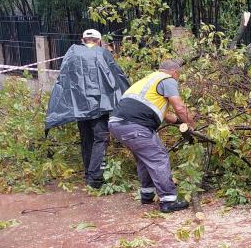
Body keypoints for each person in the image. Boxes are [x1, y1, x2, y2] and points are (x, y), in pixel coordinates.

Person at [45, 29, 130, 188]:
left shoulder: (72, 54)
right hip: (100, 106)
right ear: (99, 41)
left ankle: (88, 174)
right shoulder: (103, 53)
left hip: (80, 106)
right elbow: (117, 77)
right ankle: (95, 178)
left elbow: (64, 80)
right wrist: (128, 98)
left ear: (82, 40)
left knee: (86, 139)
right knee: (101, 139)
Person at [108, 60, 194, 213]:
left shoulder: (148, 81)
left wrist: (180, 122)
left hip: (117, 124)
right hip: (135, 125)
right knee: (158, 158)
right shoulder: (167, 80)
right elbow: (180, 108)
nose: (177, 78)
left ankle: (147, 194)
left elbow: (165, 115)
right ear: (174, 72)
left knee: (144, 158)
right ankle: (168, 201)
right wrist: (191, 125)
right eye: (178, 75)